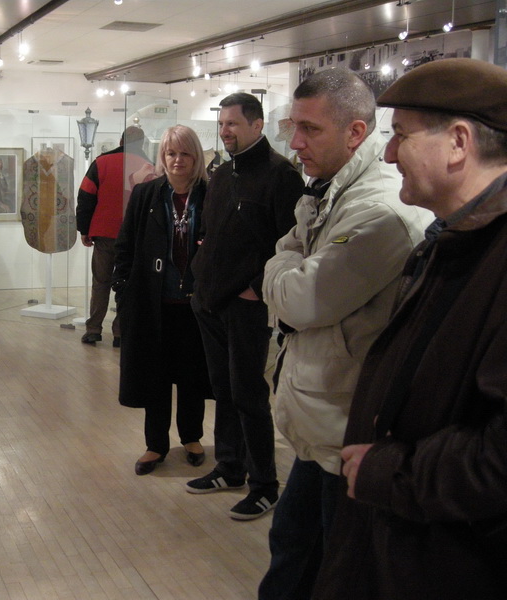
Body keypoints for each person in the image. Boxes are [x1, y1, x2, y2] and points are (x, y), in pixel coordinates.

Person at [313, 58, 507, 600]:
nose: (389, 153)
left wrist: (389, 473)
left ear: (459, 142)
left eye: (401, 134)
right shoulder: (450, 242)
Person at [259, 69, 431, 599]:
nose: (295, 143)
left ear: (356, 132)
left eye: (310, 129)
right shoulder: (333, 189)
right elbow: (290, 252)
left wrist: (280, 267)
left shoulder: (380, 209)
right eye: (293, 127)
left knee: (334, 568)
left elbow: (301, 299)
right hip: (321, 422)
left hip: (347, 429)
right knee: (293, 547)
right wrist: (288, 261)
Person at [186, 93, 303, 521]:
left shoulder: (281, 175)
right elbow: (210, 231)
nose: (225, 131)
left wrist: (256, 288)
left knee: (249, 393)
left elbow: (291, 244)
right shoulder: (221, 174)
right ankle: (230, 467)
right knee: (223, 389)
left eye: (233, 124)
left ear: (257, 125)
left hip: (246, 305)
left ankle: (265, 485)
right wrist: (200, 280)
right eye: (221, 124)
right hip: (211, 301)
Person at [112, 125, 212, 476]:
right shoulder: (146, 194)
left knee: (192, 375)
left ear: (196, 157)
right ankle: (155, 444)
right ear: (162, 157)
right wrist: (123, 289)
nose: (177, 160)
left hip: (196, 306)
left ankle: (192, 437)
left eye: (185, 153)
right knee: (155, 376)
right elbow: (125, 245)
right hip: (154, 303)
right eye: (171, 153)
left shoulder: (209, 195)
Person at [76, 126, 152, 347]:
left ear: (120, 140)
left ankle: (93, 330)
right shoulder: (149, 166)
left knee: (101, 282)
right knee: (126, 283)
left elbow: (86, 196)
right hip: (133, 236)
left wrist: (84, 229)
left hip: (104, 233)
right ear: (142, 143)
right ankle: (120, 332)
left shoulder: (101, 162)